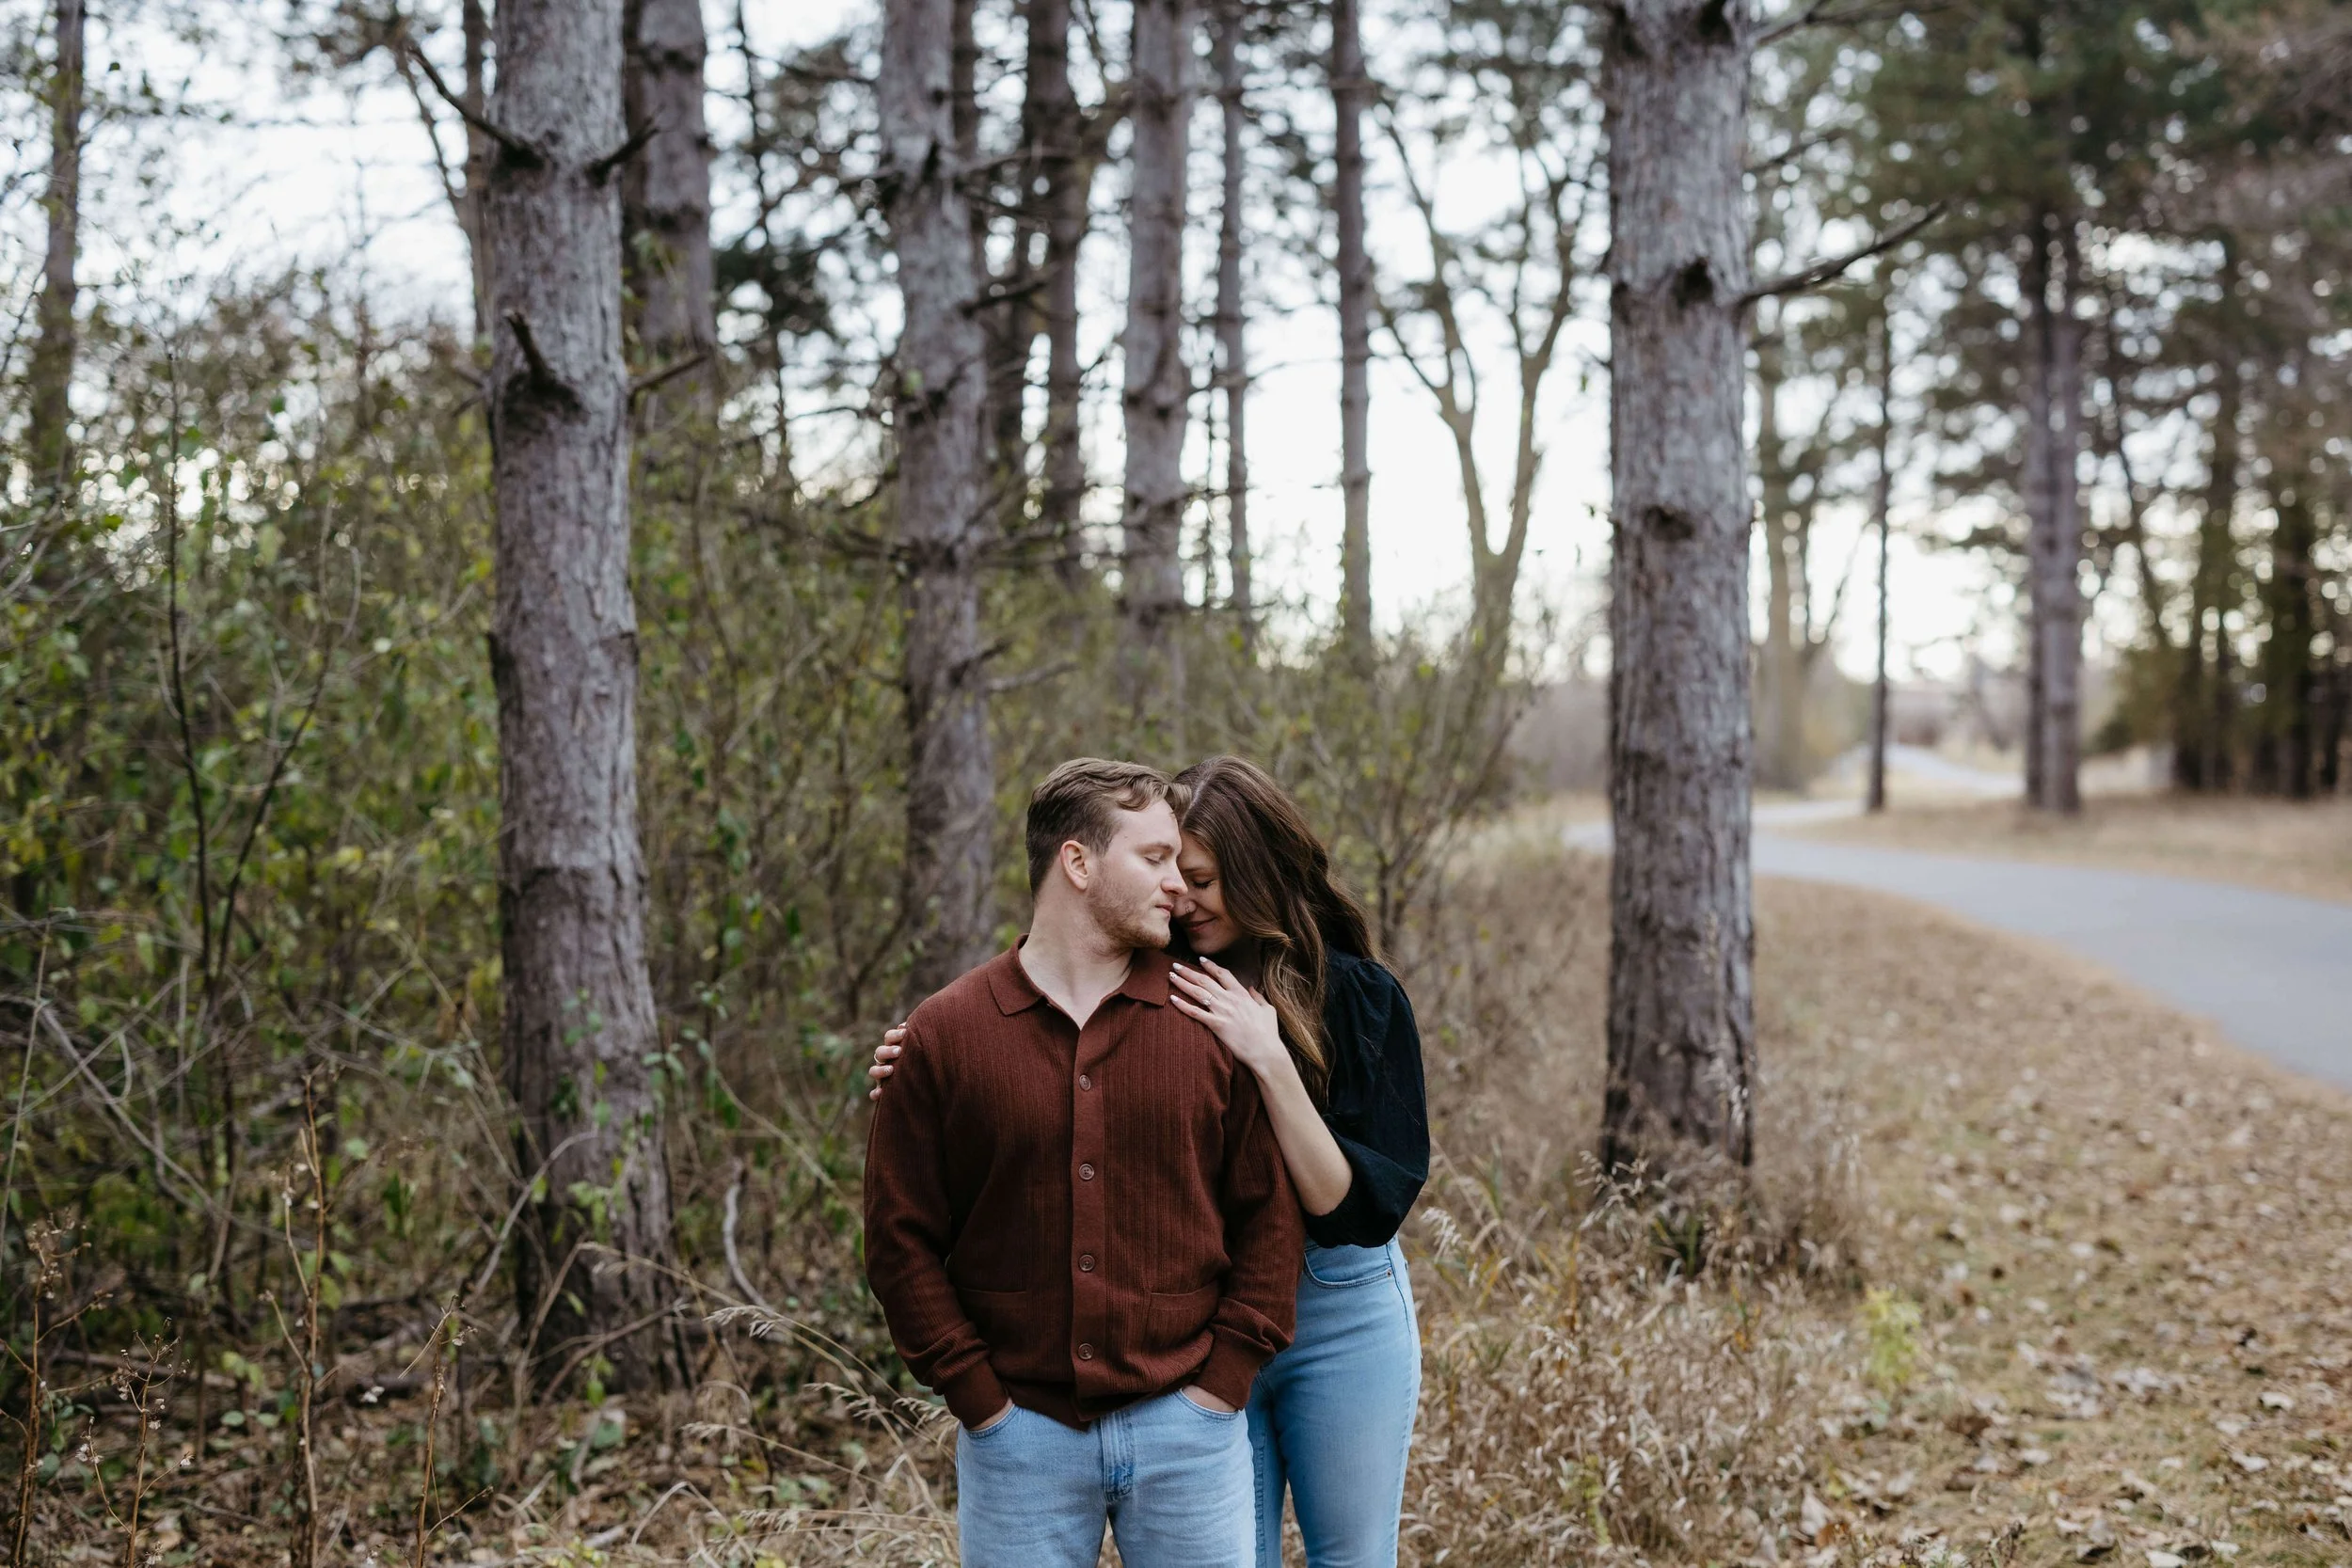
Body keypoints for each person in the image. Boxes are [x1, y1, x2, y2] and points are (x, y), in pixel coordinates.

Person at [873, 755, 1429, 1568]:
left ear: (1253, 874)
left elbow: (1356, 1208)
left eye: (1197, 875)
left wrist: (1269, 1059)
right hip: (1195, 1329)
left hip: (1331, 1302)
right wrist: (932, 1047)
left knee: (1351, 1555)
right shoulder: (1170, 980)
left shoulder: (1341, 995)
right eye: (1165, 864)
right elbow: (1054, 993)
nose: (1179, 892)